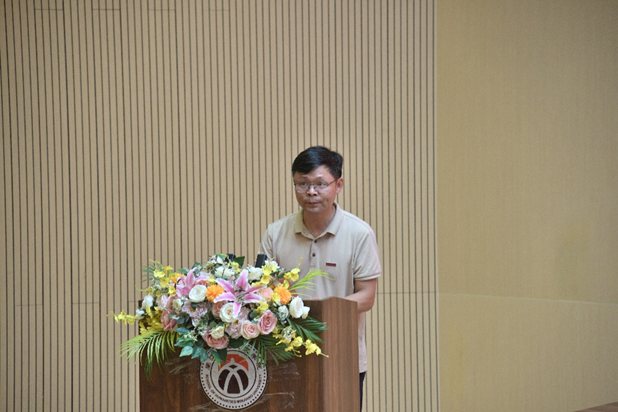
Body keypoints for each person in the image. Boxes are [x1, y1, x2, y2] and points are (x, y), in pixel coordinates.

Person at [258, 146, 381, 410]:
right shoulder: (276, 233)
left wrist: (319, 310)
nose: (311, 192)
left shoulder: (359, 234)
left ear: (339, 185)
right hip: (284, 357)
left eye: (320, 184)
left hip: (342, 357)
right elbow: (263, 291)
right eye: (302, 184)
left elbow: (367, 297)